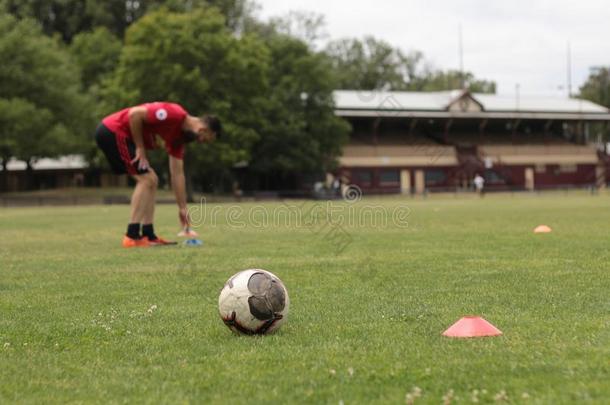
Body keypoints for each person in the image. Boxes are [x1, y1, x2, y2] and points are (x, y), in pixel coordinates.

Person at [95, 102, 222, 248]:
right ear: (204, 129)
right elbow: (135, 114)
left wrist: (182, 208)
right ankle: (132, 235)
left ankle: (149, 235)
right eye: (204, 139)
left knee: (152, 180)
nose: (200, 142)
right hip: (112, 130)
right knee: (146, 179)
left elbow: (177, 174)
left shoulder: (178, 140)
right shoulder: (174, 113)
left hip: (119, 135)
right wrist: (140, 147)